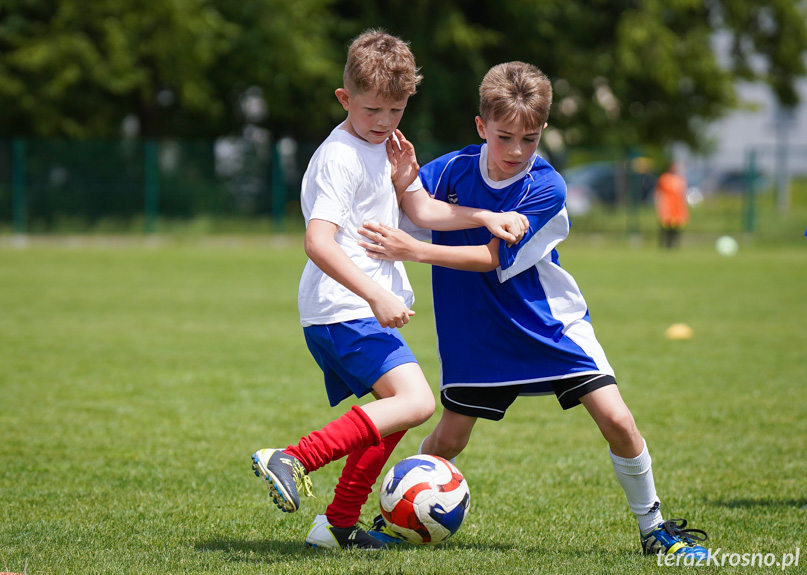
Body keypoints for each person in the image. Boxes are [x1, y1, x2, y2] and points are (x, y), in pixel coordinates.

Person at [359, 61, 710, 559]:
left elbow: (488, 258)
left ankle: (655, 530)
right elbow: (405, 209)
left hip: (547, 323)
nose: (517, 151)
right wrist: (395, 182)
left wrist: (411, 250)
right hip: (475, 329)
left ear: (542, 131)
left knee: (618, 420)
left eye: (529, 138)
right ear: (482, 127)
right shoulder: (451, 171)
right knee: (448, 439)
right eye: (505, 138)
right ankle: (395, 519)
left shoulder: (546, 187)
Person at [251, 31, 528, 551]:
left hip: (359, 310)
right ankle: (293, 457)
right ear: (344, 99)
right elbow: (317, 242)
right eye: (372, 108)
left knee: (394, 416)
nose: (384, 121)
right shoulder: (339, 156)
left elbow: (422, 210)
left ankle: (336, 528)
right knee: (417, 401)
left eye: (396, 110)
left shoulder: (387, 147)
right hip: (343, 308)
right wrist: (376, 296)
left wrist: (486, 215)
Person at [654, 161, 689, 249]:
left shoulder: (681, 180)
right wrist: (659, 205)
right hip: (667, 206)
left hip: (677, 207)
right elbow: (658, 192)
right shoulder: (664, 178)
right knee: (666, 226)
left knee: (677, 226)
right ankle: (665, 244)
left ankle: (675, 244)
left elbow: (683, 194)